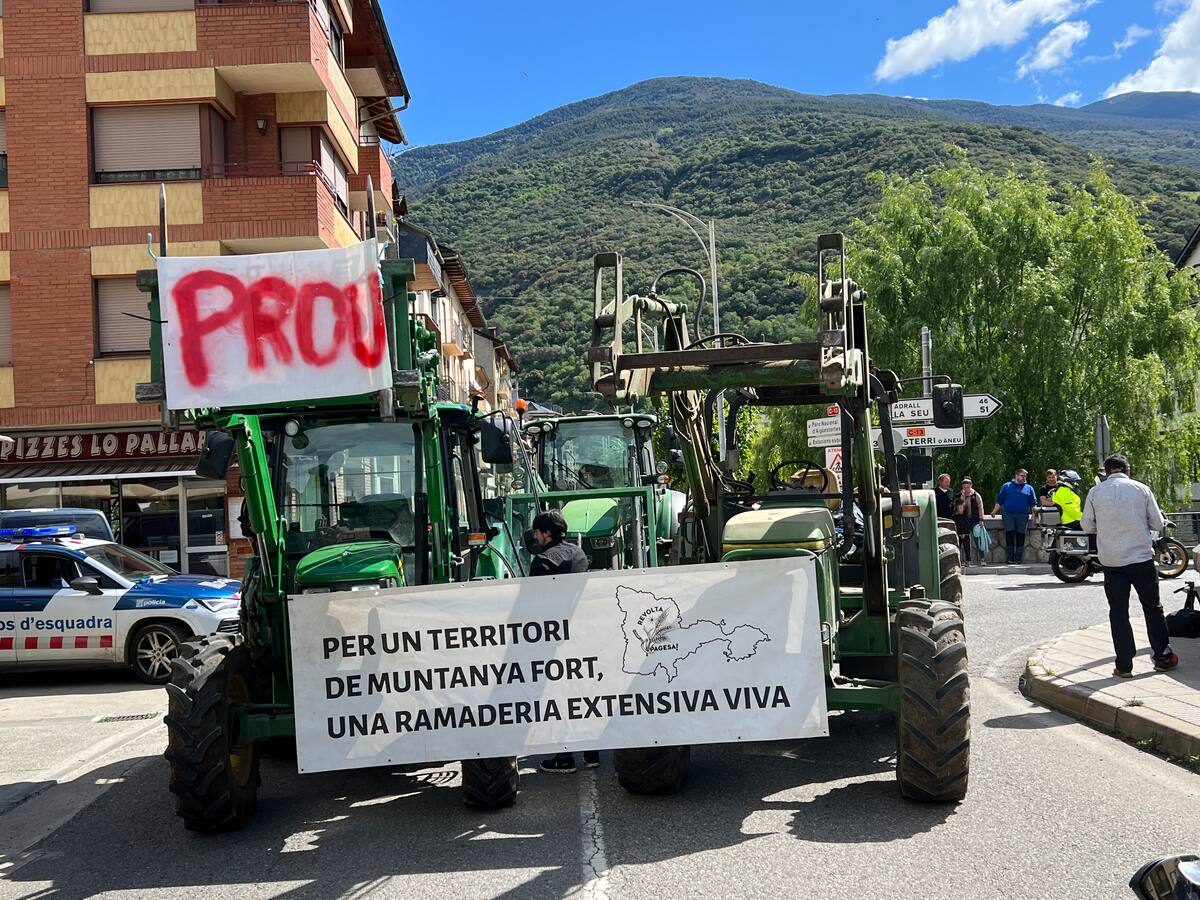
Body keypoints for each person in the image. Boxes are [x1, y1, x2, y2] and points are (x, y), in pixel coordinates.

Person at [1080, 454, 1179, 678]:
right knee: (1152, 607)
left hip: (1112, 562)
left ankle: (1124, 665)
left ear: (1105, 472)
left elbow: (1086, 524)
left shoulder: (1096, 492)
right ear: (1128, 470)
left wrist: (1105, 528)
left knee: (1118, 612)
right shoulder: (1141, 489)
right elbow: (1156, 522)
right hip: (1141, 559)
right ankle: (1162, 656)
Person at [529, 509, 600, 773]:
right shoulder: (579, 554)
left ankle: (563, 757)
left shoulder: (542, 562)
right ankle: (591, 751)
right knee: (583, 691)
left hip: (553, 638)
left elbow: (534, 604)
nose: (535, 537)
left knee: (558, 696)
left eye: (537, 532)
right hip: (582, 633)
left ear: (546, 533)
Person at [992, 467, 1037, 564]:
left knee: (1021, 536)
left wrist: (1034, 515)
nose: (1024, 477)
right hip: (1008, 514)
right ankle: (1010, 558)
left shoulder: (1029, 488)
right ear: (1016, 475)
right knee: (1010, 535)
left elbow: (1033, 504)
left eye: (1025, 476)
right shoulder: (1007, 486)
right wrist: (994, 511)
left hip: (1023, 515)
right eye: (1022, 475)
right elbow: (1000, 500)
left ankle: (1018, 558)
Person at [953, 477, 986, 566]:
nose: (966, 489)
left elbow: (980, 507)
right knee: (963, 542)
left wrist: (981, 519)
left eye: (968, 487)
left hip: (974, 520)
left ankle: (982, 559)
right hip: (963, 520)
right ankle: (964, 560)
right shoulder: (959, 495)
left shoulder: (976, 495)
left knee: (978, 540)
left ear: (971, 486)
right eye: (964, 487)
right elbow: (955, 506)